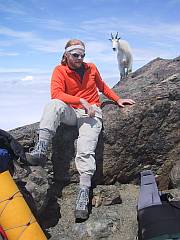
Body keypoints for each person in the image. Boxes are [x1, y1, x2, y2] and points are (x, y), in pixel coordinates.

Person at [26, 39, 135, 220]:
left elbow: (102, 86)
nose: (79, 58)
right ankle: (41, 149)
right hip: (72, 111)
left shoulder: (91, 68)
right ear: (66, 55)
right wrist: (79, 101)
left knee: (85, 149)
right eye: (75, 55)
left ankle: (83, 194)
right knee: (53, 105)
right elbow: (57, 94)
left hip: (90, 113)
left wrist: (117, 99)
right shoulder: (59, 70)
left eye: (82, 55)